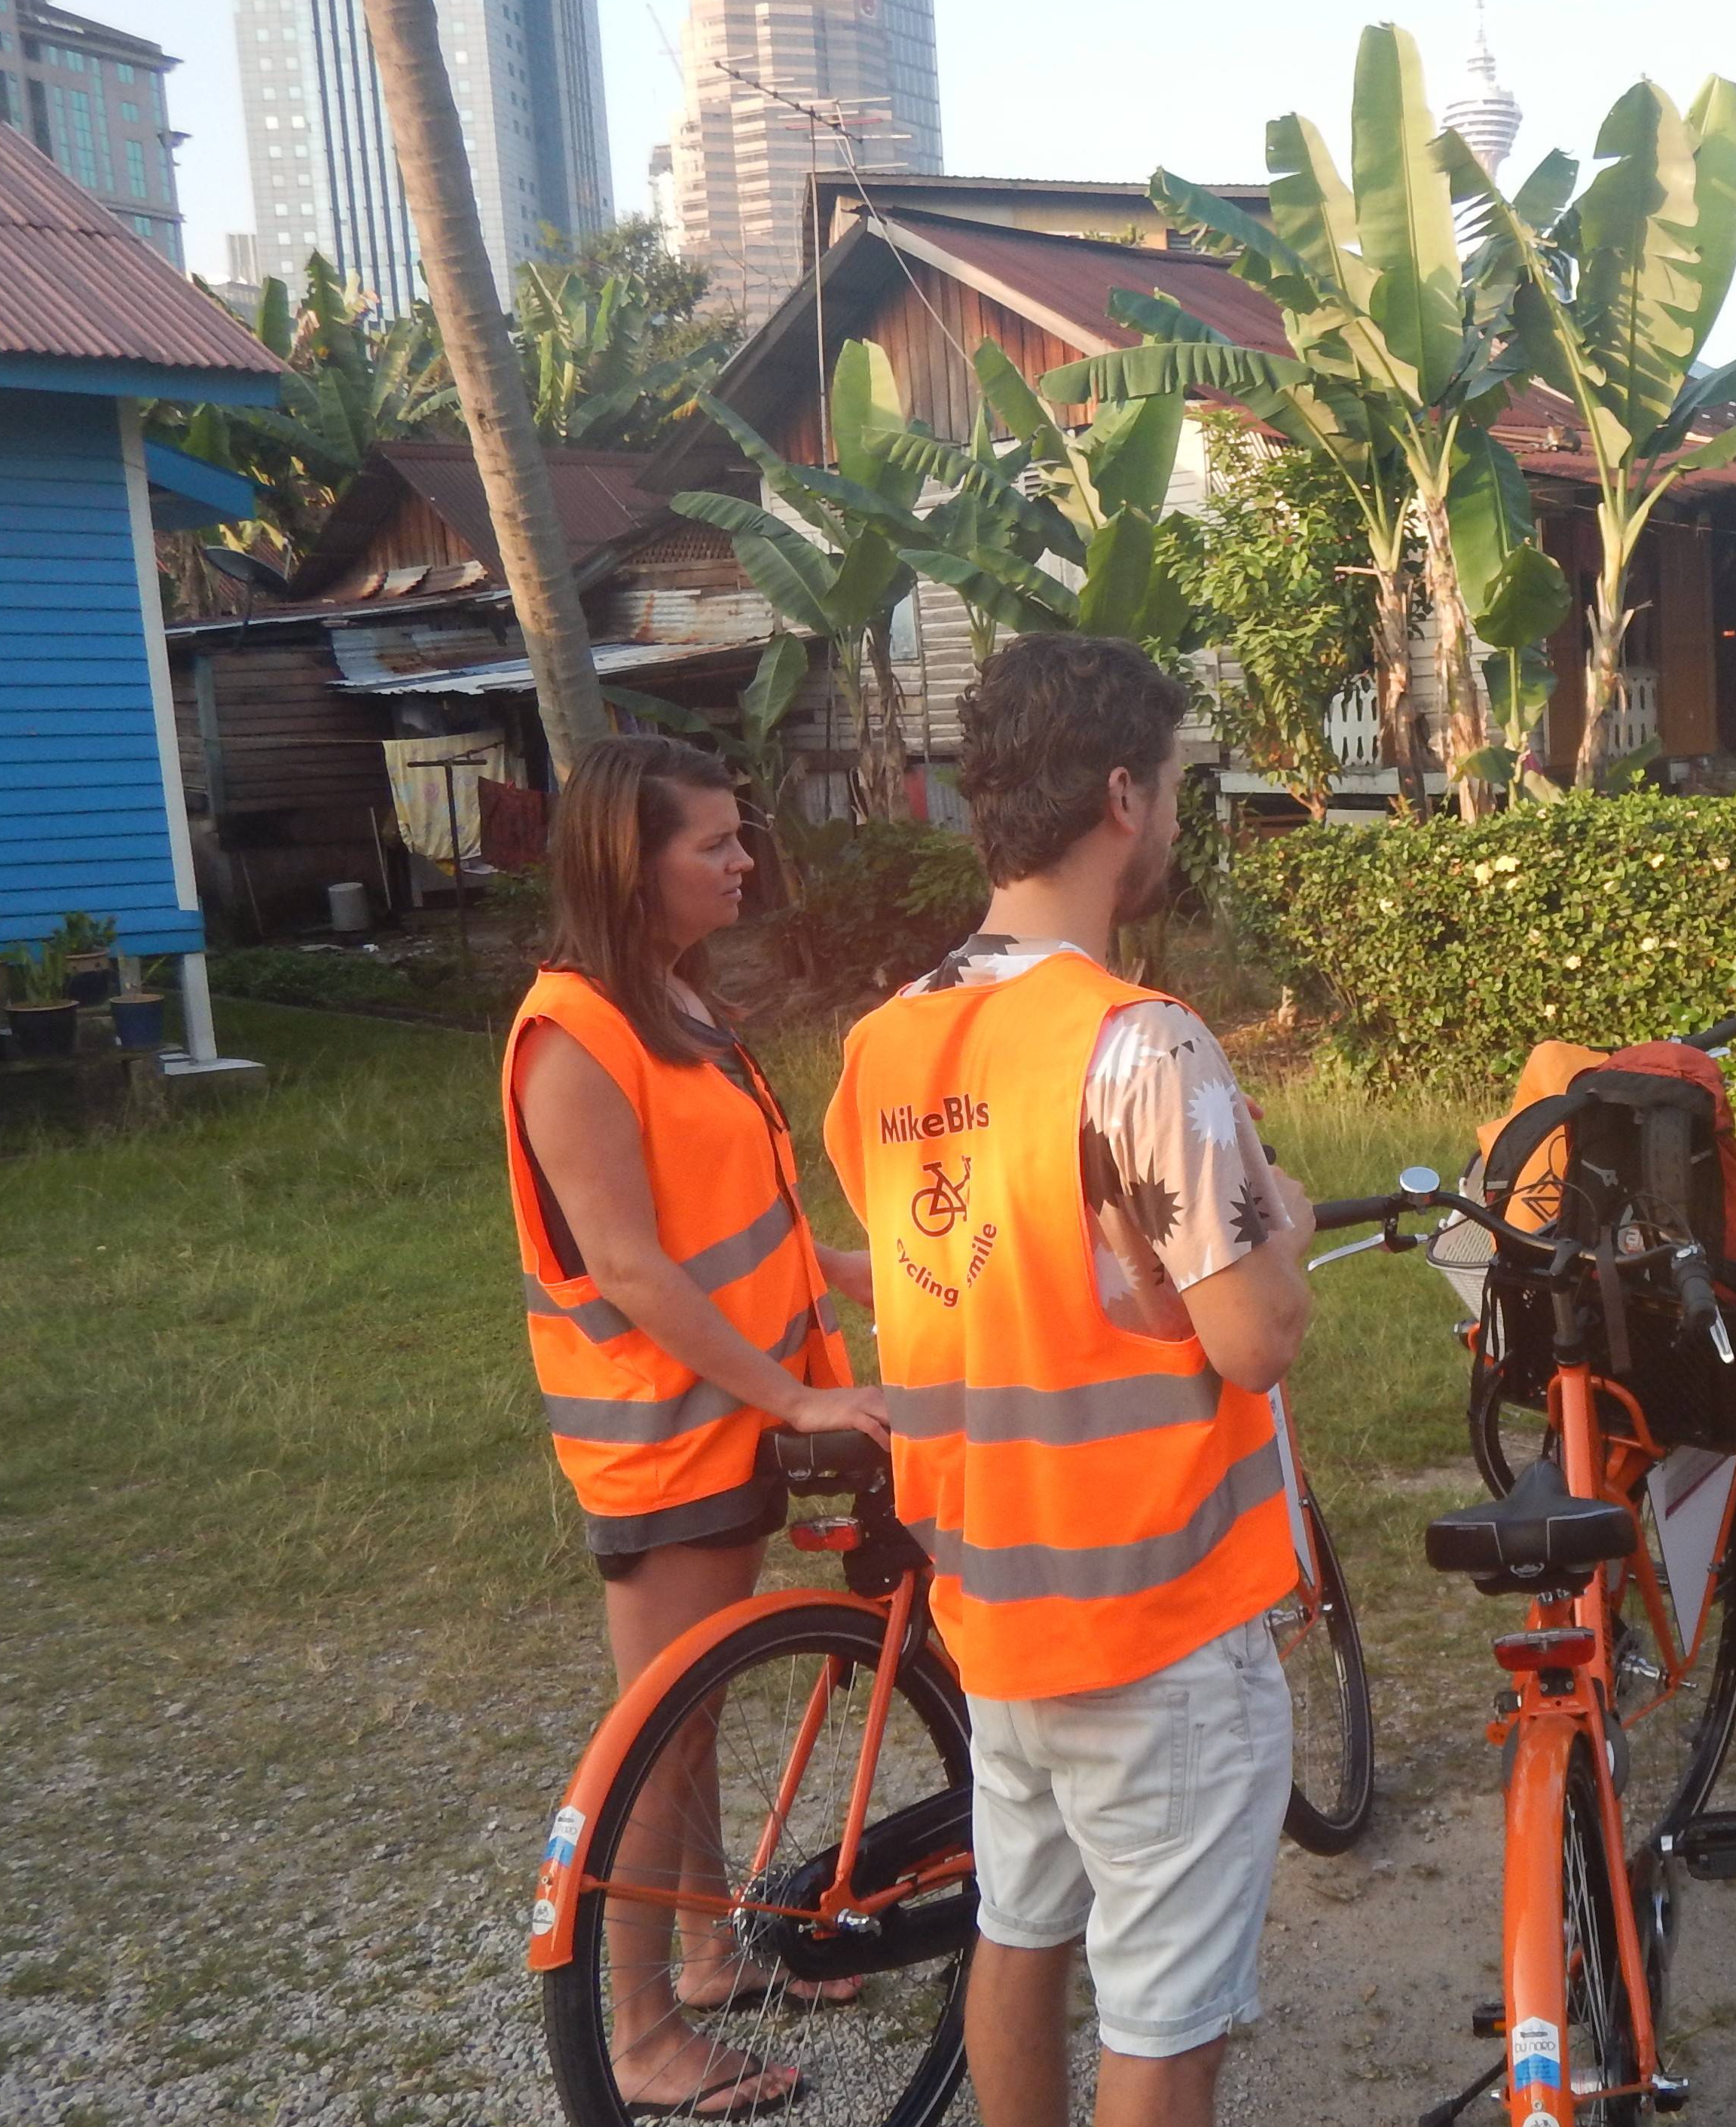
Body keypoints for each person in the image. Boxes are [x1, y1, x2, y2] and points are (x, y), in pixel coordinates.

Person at [825, 634, 1314, 2127]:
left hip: (994, 1605)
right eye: (1171, 785)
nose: (1171, 817)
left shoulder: (883, 1046)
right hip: (1155, 1622)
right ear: (1119, 795)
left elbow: (995, 1282)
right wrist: (1280, 1222)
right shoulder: (1140, 1043)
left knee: (1020, 1933)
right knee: (1163, 2026)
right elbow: (1255, 1338)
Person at [504, 735, 891, 2119]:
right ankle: (642, 2031)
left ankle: (715, 1952)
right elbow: (629, 1263)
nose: (743, 860)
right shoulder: (572, 1034)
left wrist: (844, 1271)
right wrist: (793, 1395)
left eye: (741, 834)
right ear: (632, 861)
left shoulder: (673, 1000)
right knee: (657, 1736)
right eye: (712, 842)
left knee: (698, 1708)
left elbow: (730, 1208)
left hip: (725, 1412)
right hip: (662, 1430)